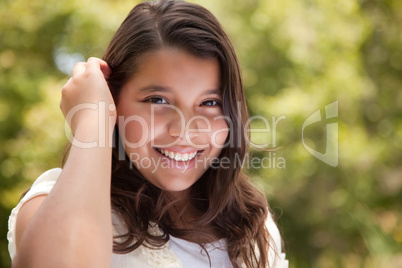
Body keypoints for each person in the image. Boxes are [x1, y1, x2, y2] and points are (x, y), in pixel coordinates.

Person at [7, 0, 289, 267]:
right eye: (158, 100)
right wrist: (93, 120)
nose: (184, 130)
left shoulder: (251, 225)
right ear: (113, 98)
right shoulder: (53, 202)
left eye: (209, 103)